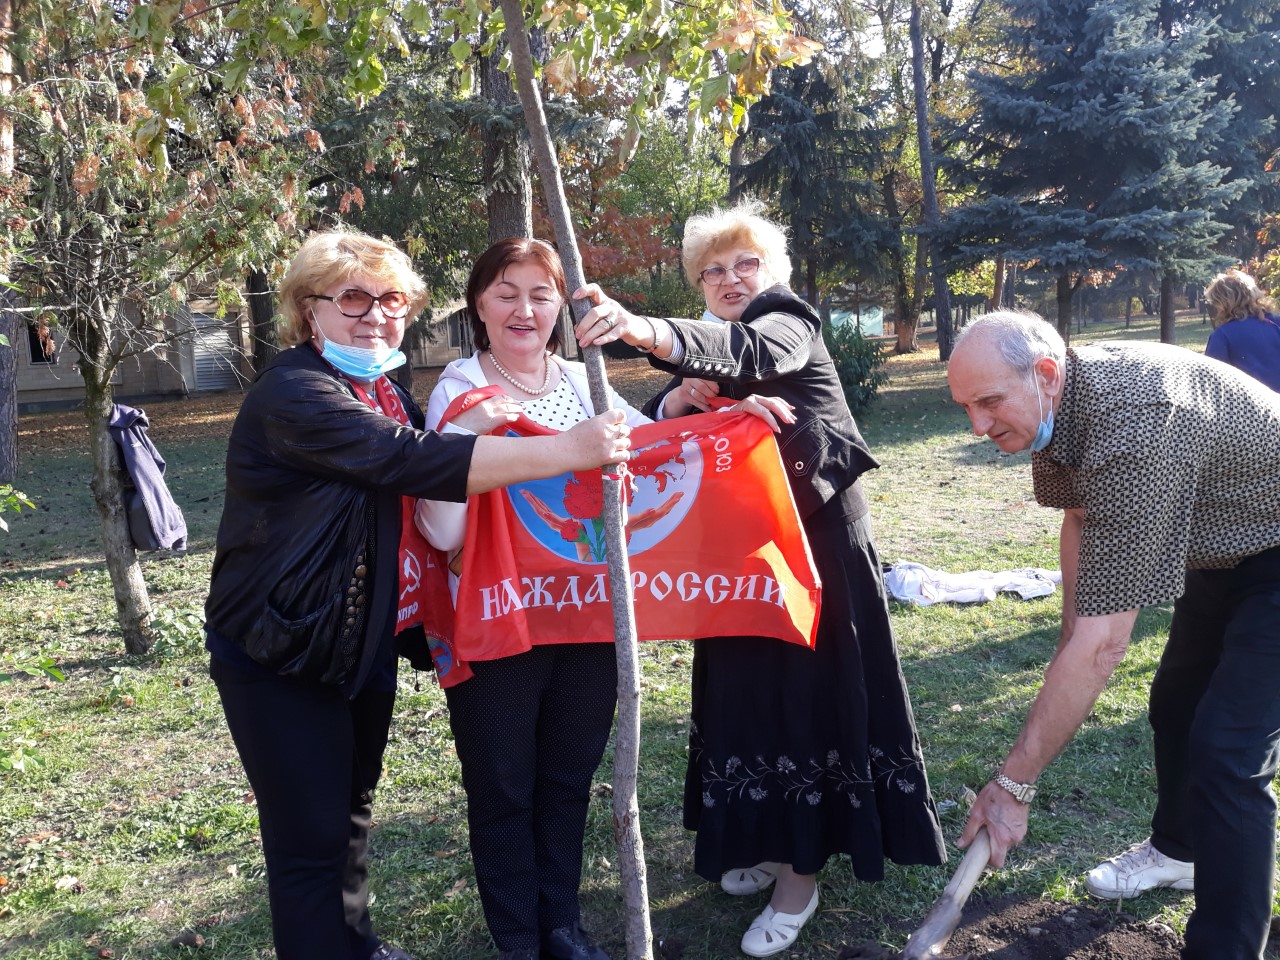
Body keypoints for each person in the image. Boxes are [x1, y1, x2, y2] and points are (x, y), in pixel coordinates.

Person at [203, 231, 632, 960]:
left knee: (351, 814)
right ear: (310, 312)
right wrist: (568, 449)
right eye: (353, 299)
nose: (374, 316)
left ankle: (357, 944)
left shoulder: (380, 389)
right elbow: (410, 461)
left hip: (355, 641)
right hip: (283, 648)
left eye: (391, 301)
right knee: (309, 842)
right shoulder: (295, 393)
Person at [573, 202, 947, 958]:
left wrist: (643, 330)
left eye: (744, 263)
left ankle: (799, 875)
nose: (730, 278)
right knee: (746, 694)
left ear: (772, 272)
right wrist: (671, 399)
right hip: (739, 557)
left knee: (802, 701)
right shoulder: (709, 351)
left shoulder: (786, 318)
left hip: (815, 555)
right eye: (713, 271)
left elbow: (751, 349)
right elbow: (666, 434)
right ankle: (762, 838)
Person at [416, 236, 791, 960]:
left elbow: (650, 455)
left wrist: (719, 416)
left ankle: (563, 927)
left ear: (562, 303)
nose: (525, 310)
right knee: (502, 787)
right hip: (500, 623)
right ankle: (520, 940)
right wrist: (465, 438)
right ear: (479, 306)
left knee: (565, 780)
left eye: (541, 293)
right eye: (506, 293)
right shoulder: (462, 387)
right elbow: (438, 529)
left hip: (589, 618)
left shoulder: (585, 378)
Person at [946, 311, 1280, 960]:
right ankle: (1181, 852)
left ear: (1044, 374)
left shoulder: (1133, 426)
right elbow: (1079, 514)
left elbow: (1105, 646)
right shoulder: (1067, 400)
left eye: (989, 402)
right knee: (1175, 705)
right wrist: (1074, 627)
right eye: (965, 407)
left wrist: (1013, 788)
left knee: (1227, 752)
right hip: (1227, 543)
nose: (977, 426)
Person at [1202, 268, 1280, 392]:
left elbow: (1211, 383)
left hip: (1249, 407)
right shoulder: (1275, 323)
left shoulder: (1223, 335)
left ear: (1222, 304)